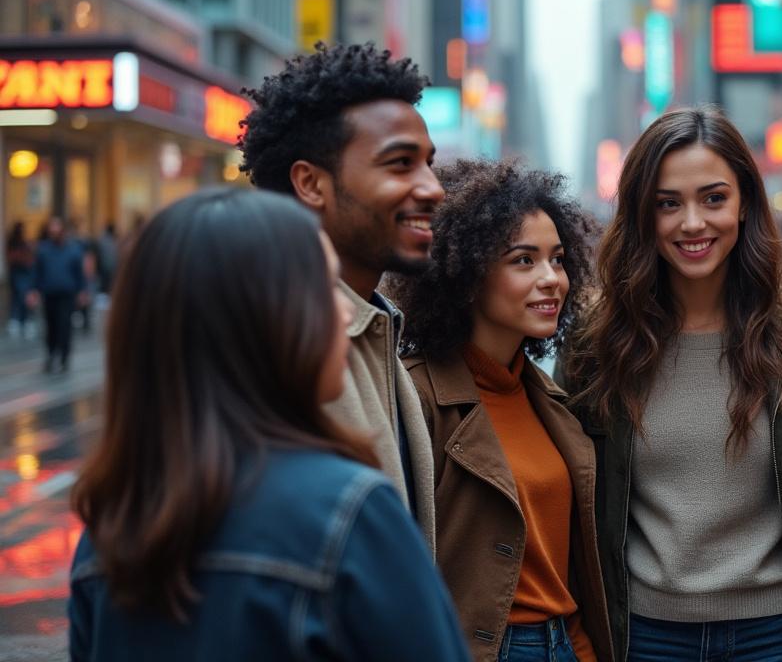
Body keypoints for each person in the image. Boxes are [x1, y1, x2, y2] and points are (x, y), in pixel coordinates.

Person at [67, 188, 470, 661]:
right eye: (323, 288)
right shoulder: (348, 512)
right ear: (259, 318)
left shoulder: (110, 532)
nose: (343, 313)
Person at [562, 106, 782, 662]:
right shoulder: (597, 343)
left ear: (744, 205)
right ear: (643, 215)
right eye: (668, 203)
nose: (692, 223)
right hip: (644, 635)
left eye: (713, 198)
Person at [386, 160, 611, 662]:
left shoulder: (550, 400)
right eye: (524, 260)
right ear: (467, 274)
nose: (552, 279)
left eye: (557, 259)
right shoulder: (414, 397)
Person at [238, 41, 443, 550]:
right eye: (400, 164)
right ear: (311, 183)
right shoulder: (271, 342)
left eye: (428, 163)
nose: (433, 187)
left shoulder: (375, 323)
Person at [30, 217, 89, 373]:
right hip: (49, 294)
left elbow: (79, 273)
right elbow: (37, 271)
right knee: (51, 326)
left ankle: (64, 357)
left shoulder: (73, 249)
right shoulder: (43, 249)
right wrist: (34, 290)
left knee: (65, 326)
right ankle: (50, 355)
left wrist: (82, 291)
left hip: (67, 294)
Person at [5, 223, 35, 339]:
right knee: (19, 296)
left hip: (25, 273)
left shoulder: (24, 243)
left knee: (24, 296)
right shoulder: (14, 243)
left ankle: (23, 321)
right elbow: (13, 257)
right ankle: (18, 321)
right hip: (17, 273)